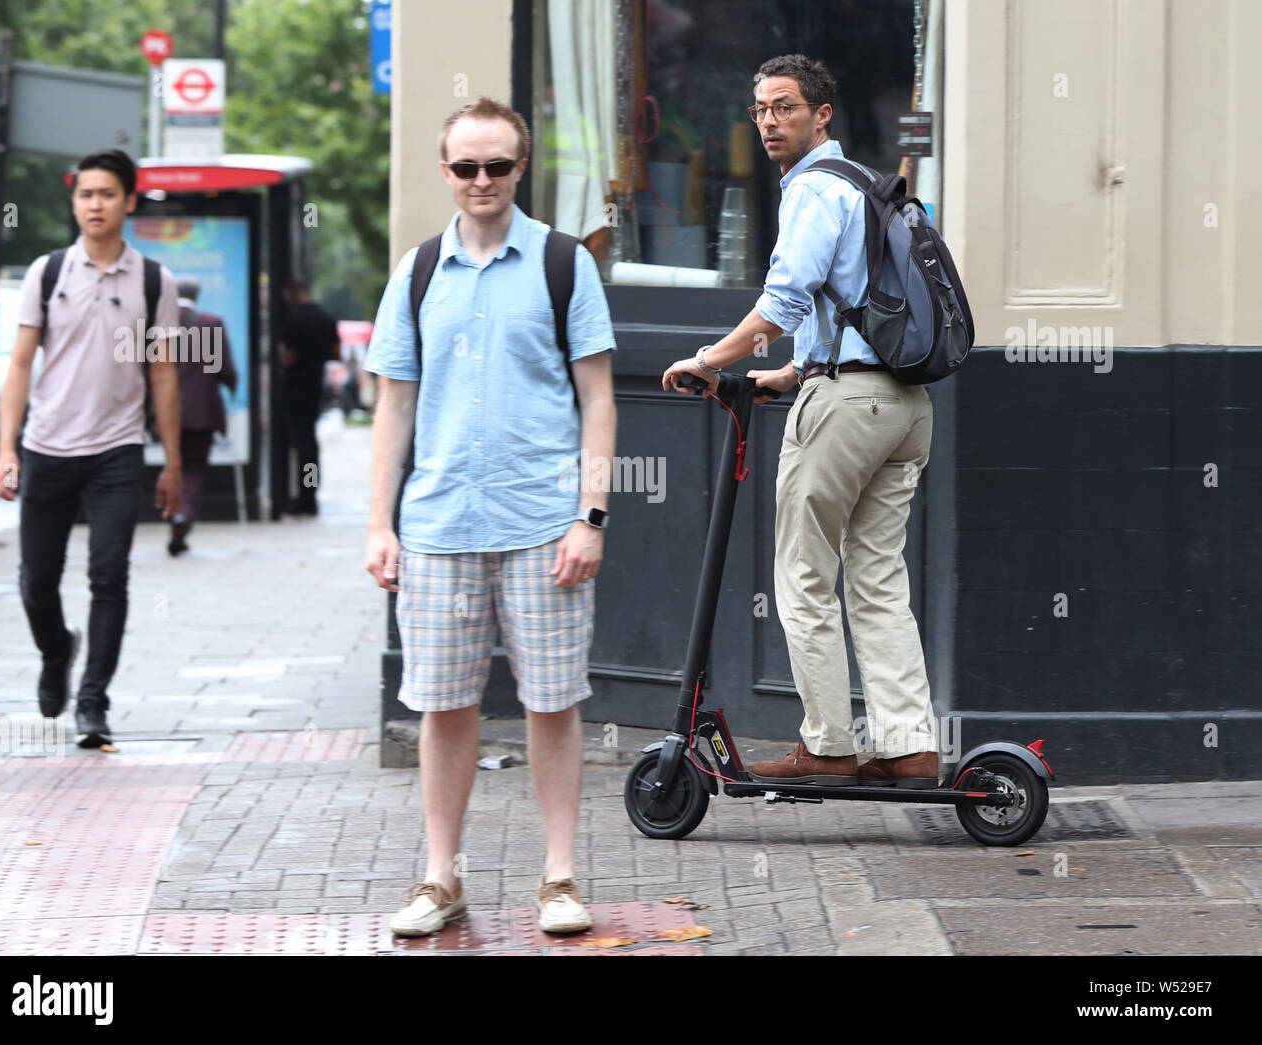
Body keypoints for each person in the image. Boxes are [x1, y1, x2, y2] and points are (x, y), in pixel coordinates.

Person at [364, 97, 617, 937]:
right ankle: (442, 878)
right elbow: (393, 404)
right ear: (445, 171)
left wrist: (591, 515)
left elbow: (598, 397)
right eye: (466, 166)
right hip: (438, 525)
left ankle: (559, 877)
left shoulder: (560, 262)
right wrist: (380, 523)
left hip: (543, 522)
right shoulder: (418, 269)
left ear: (520, 167)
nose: (481, 180)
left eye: (497, 165)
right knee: (442, 705)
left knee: (552, 701)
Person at [662, 54, 940, 787]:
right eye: (759, 110)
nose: (768, 122)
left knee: (803, 573)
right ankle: (909, 744)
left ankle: (827, 744)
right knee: (878, 578)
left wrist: (707, 356)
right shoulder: (867, 187)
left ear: (822, 115)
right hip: (903, 405)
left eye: (784, 108)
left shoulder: (815, 189)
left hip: (846, 411)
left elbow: (783, 303)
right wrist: (792, 370)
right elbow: (850, 308)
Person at [0, 148, 181, 748]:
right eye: (85, 195)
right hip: (47, 446)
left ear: (129, 200)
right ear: (74, 202)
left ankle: (94, 702)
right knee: (35, 581)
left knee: (109, 575)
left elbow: (164, 375)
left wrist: (172, 460)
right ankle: (57, 651)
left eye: (106, 194)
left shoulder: (155, 281)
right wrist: (7, 449)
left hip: (117, 452)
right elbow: (20, 364)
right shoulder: (48, 274)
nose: (94, 204)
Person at [169, 277, 237, 555]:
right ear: (196, 295)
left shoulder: (160, 321)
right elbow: (223, 368)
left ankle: (174, 515)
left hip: (168, 411)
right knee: (194, 468)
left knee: (173, 467)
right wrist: (232, 387)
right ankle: (183, 514)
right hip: (202, 410)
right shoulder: (211, 322)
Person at [281, 278, 338, 515]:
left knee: (303, 445)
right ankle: (310, 492)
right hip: (315, 387)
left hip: (295, 388)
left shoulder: (293, 319)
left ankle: (305, 497)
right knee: (310, 445)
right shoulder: (326, 318)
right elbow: (335, 352)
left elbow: (290, 357)